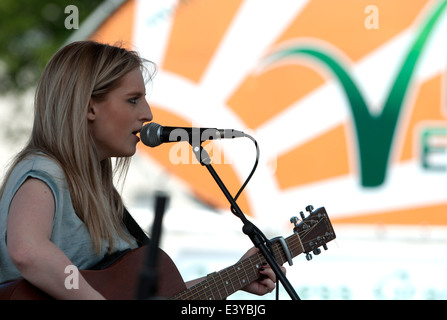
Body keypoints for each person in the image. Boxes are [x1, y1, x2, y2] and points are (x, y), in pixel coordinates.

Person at [0, 41, 284, 300]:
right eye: (133, 99)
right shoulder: (44, 171)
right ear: (89, 107)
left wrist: (234, 278)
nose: (148, 114)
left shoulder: (100, 192)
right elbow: (27, 250)